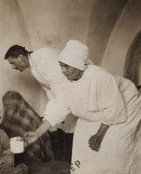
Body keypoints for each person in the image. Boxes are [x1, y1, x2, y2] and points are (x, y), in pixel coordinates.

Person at [24, 40, 141, 174]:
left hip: (126, 103)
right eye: (61, 66)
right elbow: (58, 110)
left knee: (113, 145)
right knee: (82, 142)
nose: (62, 71)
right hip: (97, 113)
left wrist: (99, 135)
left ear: (78, 65)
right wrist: (36, 134)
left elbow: (113, 109)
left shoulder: (99, 77)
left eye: (66, 67)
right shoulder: (66, 82)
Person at [4, 44, 77, 161]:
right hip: (66, 102)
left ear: (20, 57)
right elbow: (51, 93)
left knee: (72, 133)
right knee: (63, 127)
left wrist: (39, 131)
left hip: (78, 99)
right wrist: (47, 118)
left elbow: (62, 95)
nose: (13, 67)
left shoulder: (46, 61)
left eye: (12, 63)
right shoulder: (35, 68)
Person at [0, 90, 54, 163]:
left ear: (19, 103)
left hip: (33, 154)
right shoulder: (7, 118)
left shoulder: (29, 116)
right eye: (5, 104)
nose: (8, 107)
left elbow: (37, 141)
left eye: (10, 103)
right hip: (15, 153)